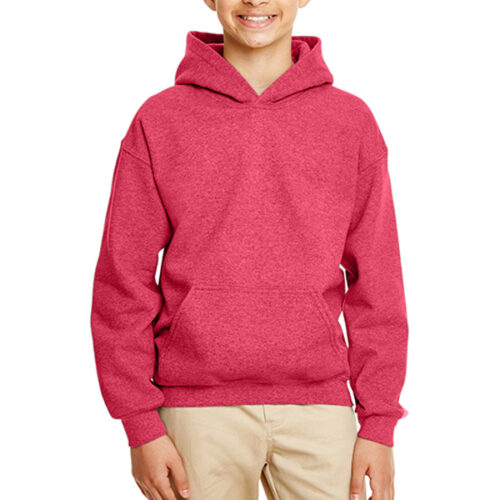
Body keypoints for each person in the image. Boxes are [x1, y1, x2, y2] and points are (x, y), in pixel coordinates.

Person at [90, 1, 409, 499]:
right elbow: (121, 281)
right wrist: (139, 422)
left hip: (321, 406)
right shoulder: (161, 119)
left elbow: (378, 283)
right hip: (195, 409)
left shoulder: (350, 121)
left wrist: (379, 422)